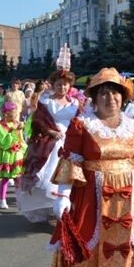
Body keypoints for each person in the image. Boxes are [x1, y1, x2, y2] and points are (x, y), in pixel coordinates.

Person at [45, 68, 134, 267]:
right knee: (91, 245)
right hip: (91, 199)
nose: (110, 98)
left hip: (131, 200)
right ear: (93, 98)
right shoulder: (82, 125)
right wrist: (63, 196)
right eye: (103, 93)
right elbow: (71, 160)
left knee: (129, 248)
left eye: (115, 93)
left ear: (123, 97)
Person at [18, 70, 79, 222]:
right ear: (53, 85)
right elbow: (37, 121)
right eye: (59, 84)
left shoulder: (75, 103)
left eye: (65, 84)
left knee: (70, 173)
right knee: (47, 177)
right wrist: (51, 131)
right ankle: (50, 207)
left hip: (71, 140)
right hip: (50, 141)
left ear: (69, 86)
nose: (62, 87)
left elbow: (80, 121)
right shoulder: (46, 101)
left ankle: (66, 207)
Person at [0, 102, 27, 209]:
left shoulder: (18, 124)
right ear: (6, 113)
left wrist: (25, 149)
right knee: (5, 178)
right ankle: (2, 199)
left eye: (16, 112)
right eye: (13, 112)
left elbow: (21, 139)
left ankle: (19, 199)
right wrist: (12, 130)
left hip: (17, 154)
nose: (16, 115)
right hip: (6, 155)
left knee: (18, 178)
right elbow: (3, 142)